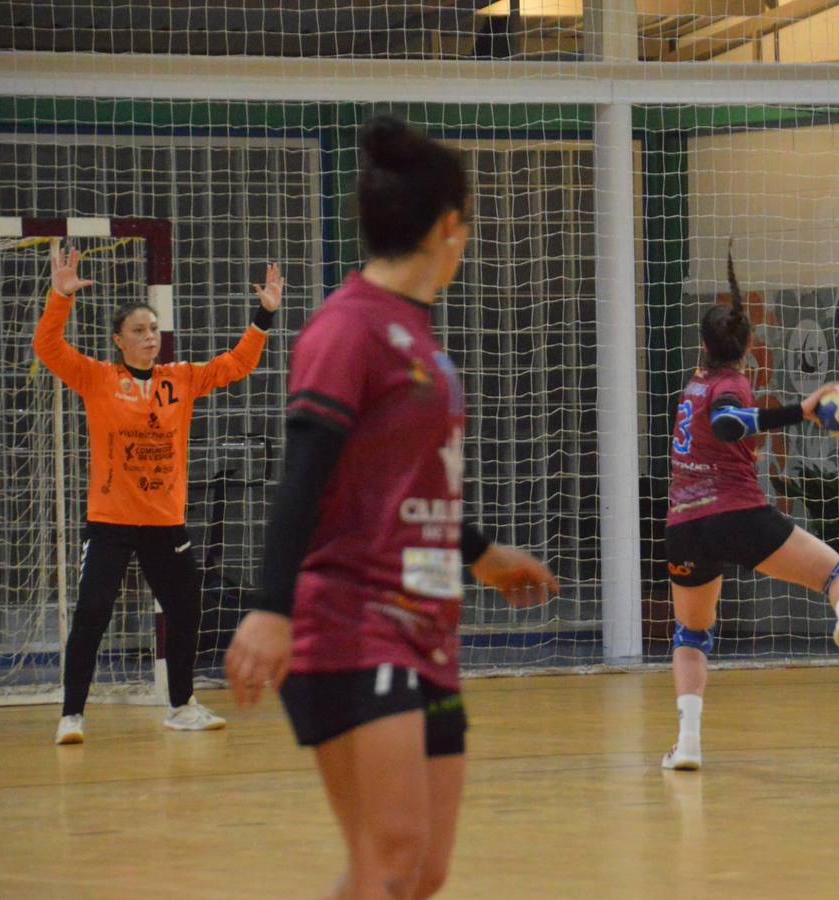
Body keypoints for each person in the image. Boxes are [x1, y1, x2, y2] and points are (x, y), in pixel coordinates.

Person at [224, 114, 558, 899]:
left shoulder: (418, 332)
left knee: (422, 870)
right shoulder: (349, 327)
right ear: (450, 226)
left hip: (427, 621)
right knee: (390, 855)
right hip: (350, 616)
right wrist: (270, 609)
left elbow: (398, 477)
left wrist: (480, 552)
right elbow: (304, 471)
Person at [661, 250, 839, 771]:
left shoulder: (693, 384)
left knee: (691, 635)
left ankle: (688, 744)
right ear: (749, 346)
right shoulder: (731, 384)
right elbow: (731, 423)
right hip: (735, 515)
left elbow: (716, 417)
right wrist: (801, 410)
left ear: (703, 346)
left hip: (684, 528)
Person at [33, 243, 283, 745]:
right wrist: (59, 299)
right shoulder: (99, 379)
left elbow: (236, 364)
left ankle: (181, 705)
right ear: (118, 341)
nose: (150, 337)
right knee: (93, 611)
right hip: (111, 520)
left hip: (164, 522)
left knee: (186, 607)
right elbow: (49, 349)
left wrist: (265, 315)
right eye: (139, 331)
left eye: (153, 329)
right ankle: (72, 715)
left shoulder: (180, 380)